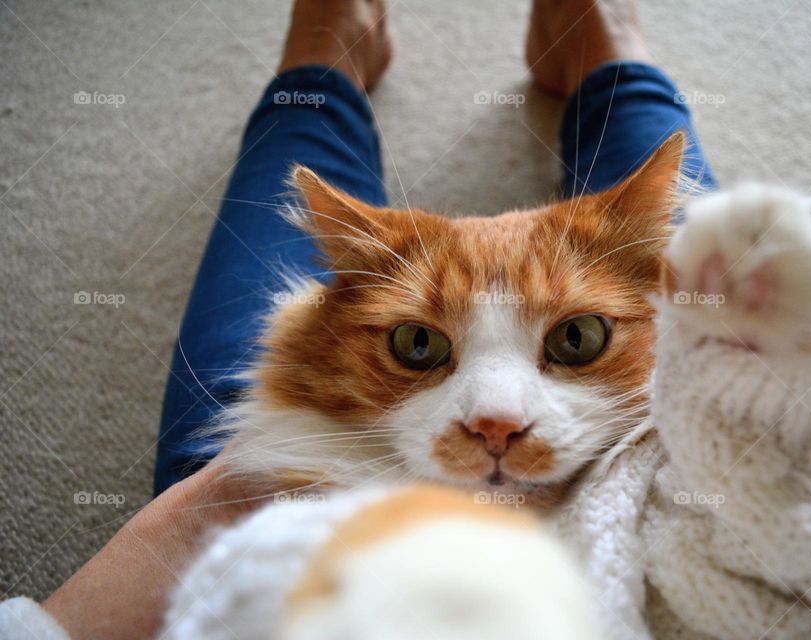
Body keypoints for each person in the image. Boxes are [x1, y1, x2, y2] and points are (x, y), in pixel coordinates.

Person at [0, 1, 714, 637]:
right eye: (418, 344)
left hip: (252, 539)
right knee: (711, 249)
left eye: (574, 337)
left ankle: (327, 46)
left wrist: (204, 522)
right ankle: (606, 50)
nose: (498, 417)